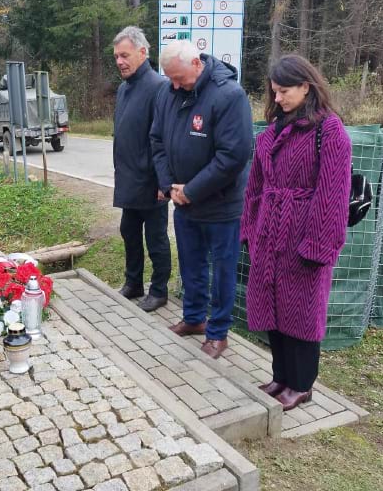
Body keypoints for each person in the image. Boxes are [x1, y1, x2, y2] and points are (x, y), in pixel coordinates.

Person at [241, 54, 352, 411]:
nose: (278, 99)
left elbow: (333, 193)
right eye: (274, 92)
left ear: (306, 87)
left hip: (304, 234)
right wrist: (250, 228)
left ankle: (301, 384)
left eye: (284, 91)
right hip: (270, 233)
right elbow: (255, 185)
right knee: (273, 307)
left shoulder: (329, 131)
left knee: (302, 312)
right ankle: (280, 376)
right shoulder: (273, 129)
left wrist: (319, 245)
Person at [150, 40, 253, 359]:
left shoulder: (229, 96)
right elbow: (157, 141)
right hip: (183, 203)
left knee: (222, 271)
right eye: (170, 78)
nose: (175, 85)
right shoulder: (169, 93)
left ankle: (218, 331)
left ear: (197, 63)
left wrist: (191, 190)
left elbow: (233, 156)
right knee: (191, 264)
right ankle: (194, 318)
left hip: (221, 205)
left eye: (179, 78)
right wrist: (169, 185)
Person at [111, 26, 171, 312]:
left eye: (125, 55)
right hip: (128, 178)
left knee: (156, 238)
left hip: (152, 181)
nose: (120, 61)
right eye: (116, 57)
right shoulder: (124, 89)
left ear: (143, 52)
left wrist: (164, 182)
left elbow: (164, 138)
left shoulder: (159, 86)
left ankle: (159, 290)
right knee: (129, 232)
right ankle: (133, 282)